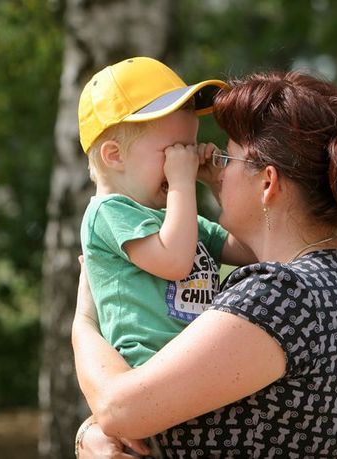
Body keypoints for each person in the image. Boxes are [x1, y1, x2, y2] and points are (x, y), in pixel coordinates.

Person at [72, 70, 337, 458]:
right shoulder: (332, 272)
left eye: (227, 158)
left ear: (268, 183)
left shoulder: (280, 295)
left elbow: (119, 409)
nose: (207, 165)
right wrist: (92, 434)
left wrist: (84, 322)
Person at [78, 56, 254, 373]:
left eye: (190, 146)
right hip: (148, 369)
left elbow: (250, 250)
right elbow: (174, 261)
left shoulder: (176, 217)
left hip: (193, 365)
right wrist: (183, 182)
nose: (186, 159)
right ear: (115, 156)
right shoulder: (107, 213)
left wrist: (218, 186)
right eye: (174, 149)